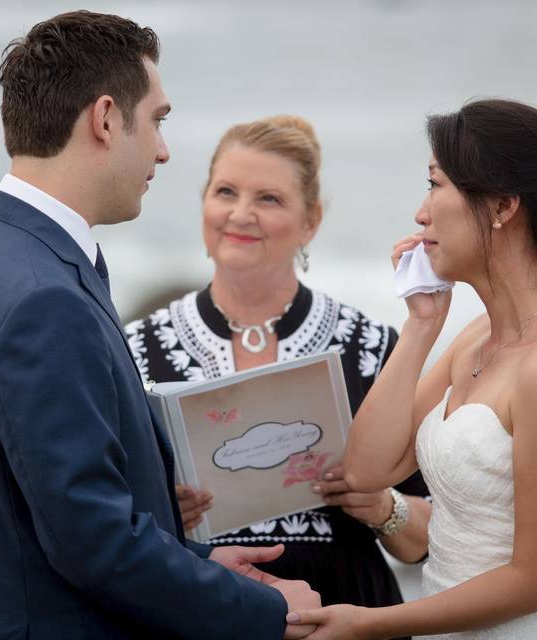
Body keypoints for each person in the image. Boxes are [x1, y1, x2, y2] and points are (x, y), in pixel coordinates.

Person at [0, 12, 319, 639]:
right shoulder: (41, 299)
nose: (162, 149)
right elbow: (93, 545)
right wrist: (267, 610)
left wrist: (200, 563)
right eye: (157, 119)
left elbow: (31, 509)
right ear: (105, 119)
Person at [287, 99, 537, 639]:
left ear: (503, 206)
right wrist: (420, 323)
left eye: (436, 184)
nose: (421, 212)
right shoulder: (473, 338)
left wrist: (372, 624)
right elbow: (367, 470)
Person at [124, 115, 432, 612]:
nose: (240, 214)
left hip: (348, 611)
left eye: (268, 198)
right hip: (199, 612)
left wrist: (381, 506)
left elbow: (428, 538)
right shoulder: (135, 349)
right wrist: (157, 513)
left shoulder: (370, 346)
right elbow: (99, 521)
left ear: (310, 220)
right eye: (225, 192)